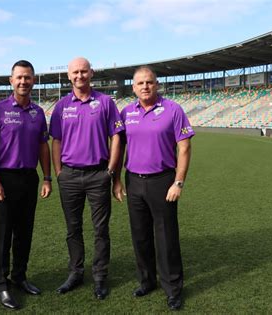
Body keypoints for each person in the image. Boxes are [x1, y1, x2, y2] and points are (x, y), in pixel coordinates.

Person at [114, 66, 194, 310]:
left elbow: (184, 148)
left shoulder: (173, 109)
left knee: (166, 237)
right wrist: (116, 179)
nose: (145, 86)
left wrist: (178, 182)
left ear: (157, 84)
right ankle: (147, 281)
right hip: (134, 181)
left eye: (149, 82)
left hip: (163, 181)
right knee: (140, 236)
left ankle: (173, 288)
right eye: (140, 83)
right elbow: (118, 147)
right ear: (134, 87)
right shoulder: (126, 112)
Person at [49, 57, 124, 300]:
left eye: (83, 71)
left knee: (101, 229)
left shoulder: (105, 102)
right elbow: (56, 141)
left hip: (97, 174)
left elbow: (117, 138)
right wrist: (59, 172)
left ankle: (100, 276)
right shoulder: (61, 106)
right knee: (73, 229)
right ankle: (76, 273)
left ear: (91, 73)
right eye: (75, 72)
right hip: (69, 175)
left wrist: (111, 172)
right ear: (69, 76)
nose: (79, 76)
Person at [0, 60, 52, 310]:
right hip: (4, 179)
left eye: (28, 77)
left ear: (33, 81)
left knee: (24, 232)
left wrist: (46, 177)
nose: (23, 81)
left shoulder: (38, 113)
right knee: (2, 234)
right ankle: (1, 284)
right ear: (11, 80)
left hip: (28, 179)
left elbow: (43, 145)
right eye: (19, 77)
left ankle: (19, 276)